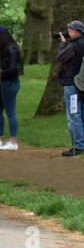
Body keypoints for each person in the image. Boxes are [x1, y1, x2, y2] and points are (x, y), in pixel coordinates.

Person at [54, 20, 84, 157]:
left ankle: (78, 146)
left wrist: (62, 43)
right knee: (81, 114)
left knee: (73, 115)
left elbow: (60, 57)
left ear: (76, 31)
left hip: (72, 83)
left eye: (70, 30)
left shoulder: (75, 45)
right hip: (81, 83)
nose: (68, 32)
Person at [0, 25, 22, 150]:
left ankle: (13, 141)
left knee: (10, 111)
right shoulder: (7, 48)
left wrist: (0, 73)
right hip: (5, 82)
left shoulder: (11, 48)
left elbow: (13, 69)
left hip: (9, 82)